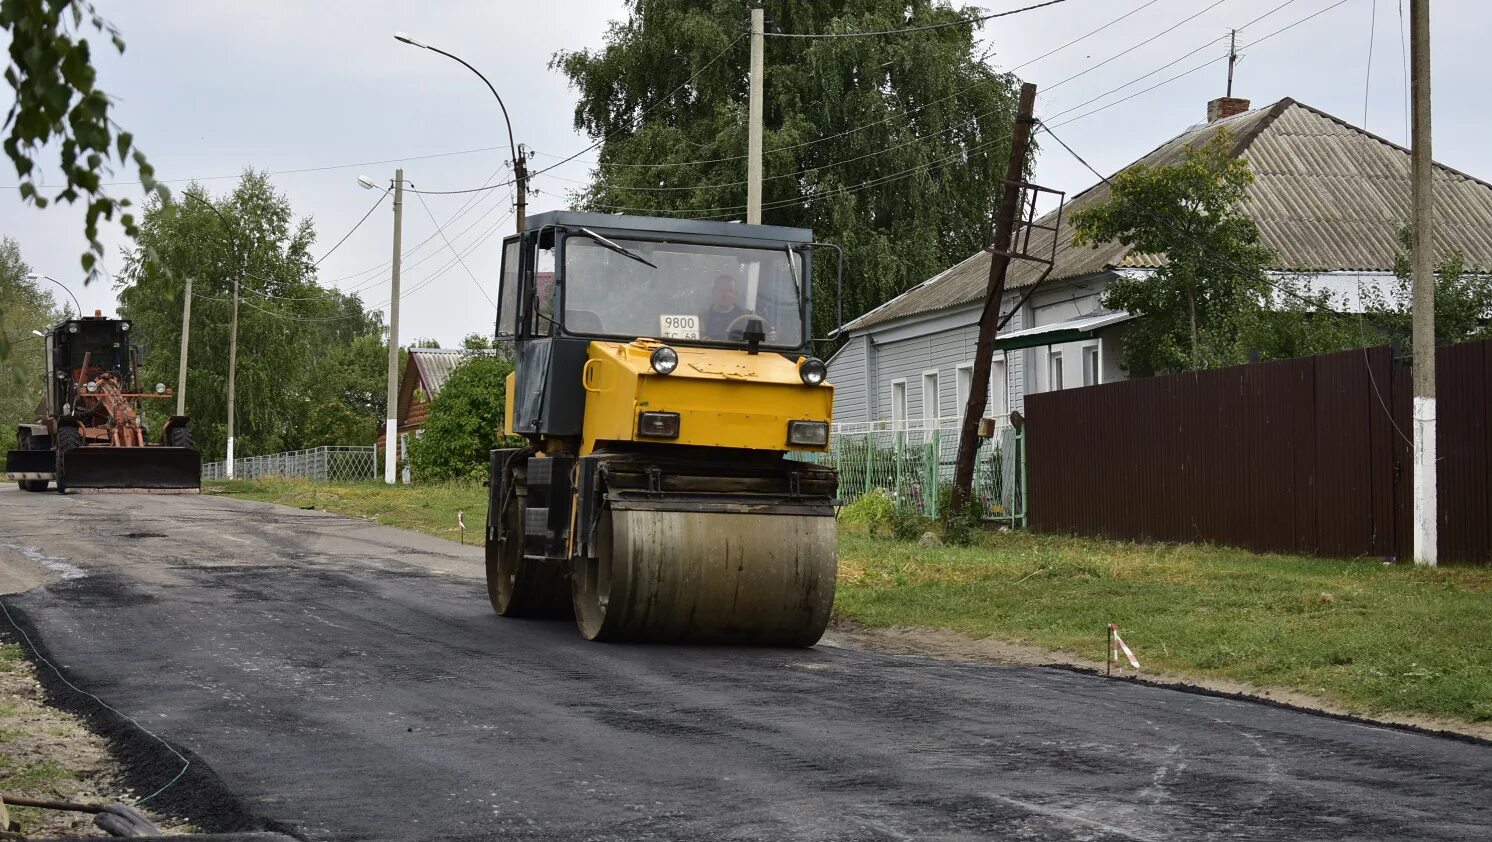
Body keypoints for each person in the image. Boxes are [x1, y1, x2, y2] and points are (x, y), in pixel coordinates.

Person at [700, 274, 747, 339]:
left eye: (730, 290)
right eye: (721, 290)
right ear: (713, 292)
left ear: (735, 293)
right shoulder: (702, 318)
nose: (725, 294)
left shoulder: (746, 318)